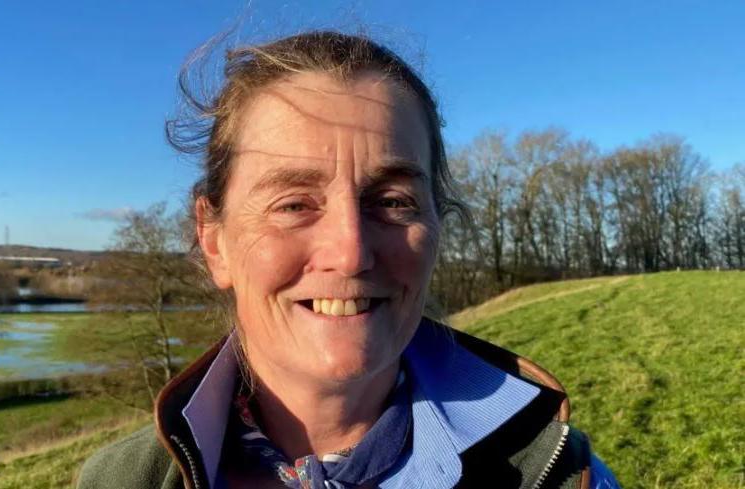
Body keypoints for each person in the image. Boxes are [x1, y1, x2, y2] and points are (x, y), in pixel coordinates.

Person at [77, 31, 619, 489]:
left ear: (437, 230)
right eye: (292, 204)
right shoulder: (120, 479)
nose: (351, 251)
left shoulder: (561, 473)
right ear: (214, 240)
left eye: (393, 202)